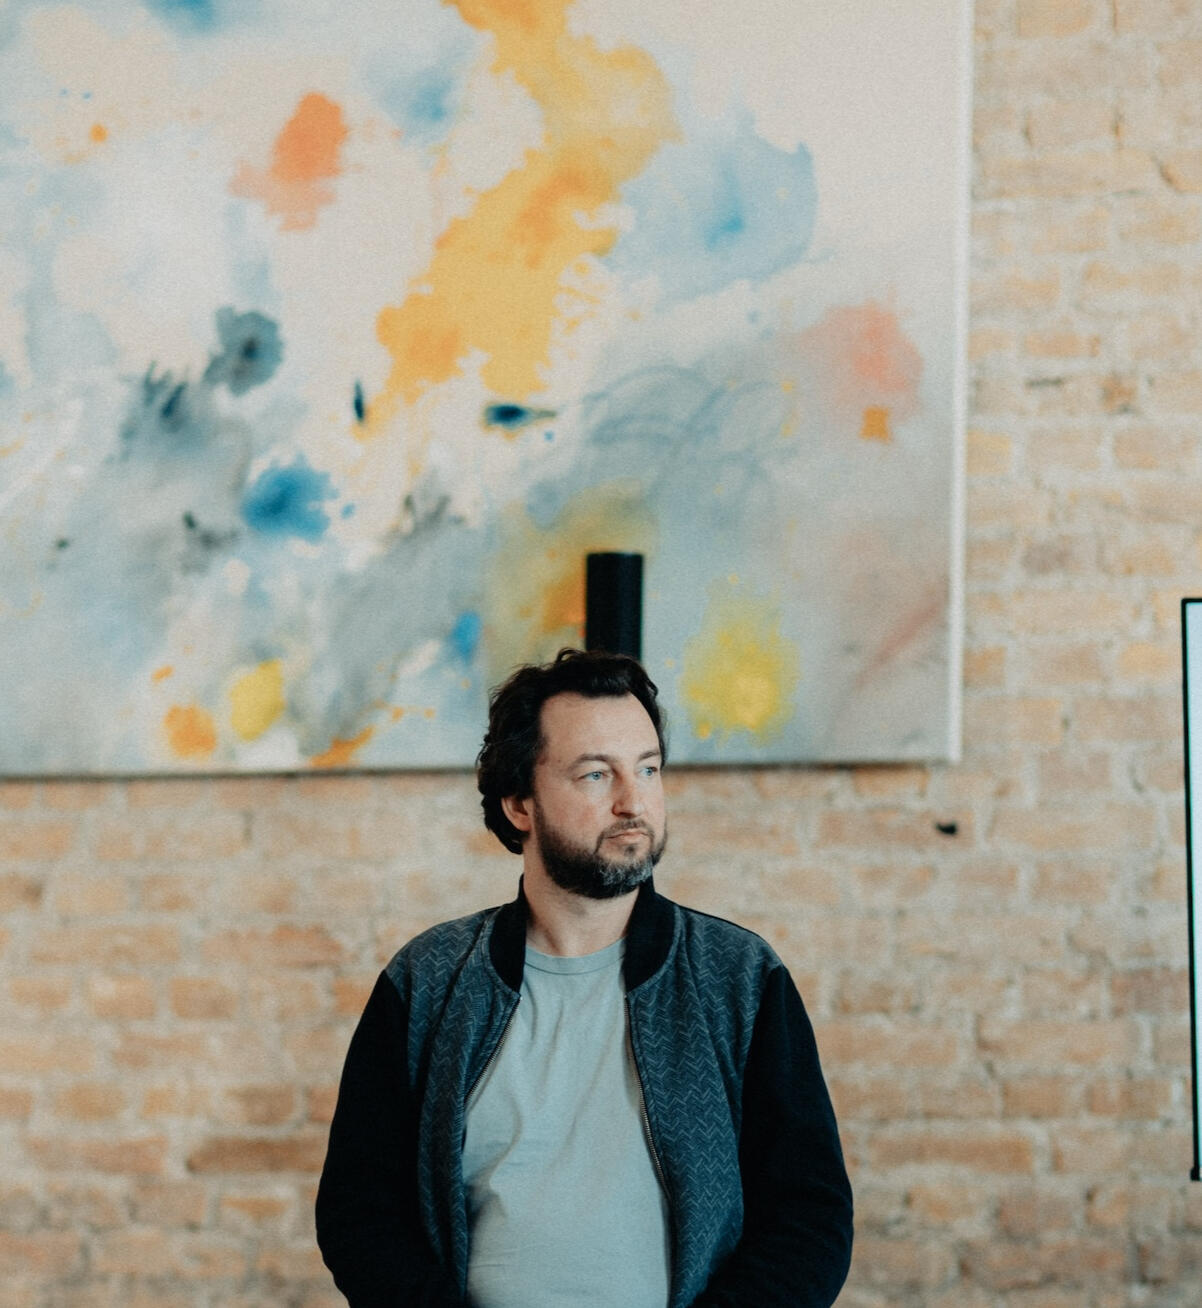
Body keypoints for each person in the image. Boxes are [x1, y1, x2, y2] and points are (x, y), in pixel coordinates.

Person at [316, 648, 853, 1307]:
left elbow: (810, 1218)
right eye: (597, 775)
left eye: (647, 769)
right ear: (520, 804)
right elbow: (360, 1210)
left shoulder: (737, 978)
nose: (633, 802)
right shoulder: (428, 980)